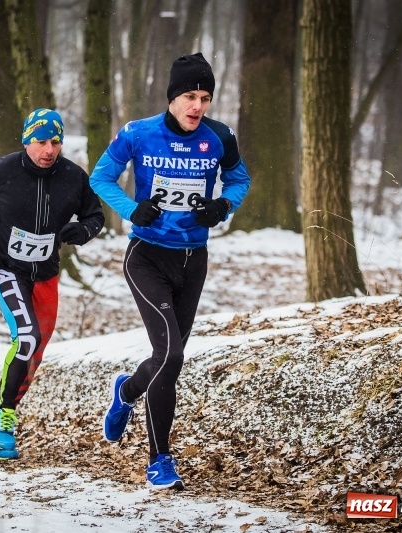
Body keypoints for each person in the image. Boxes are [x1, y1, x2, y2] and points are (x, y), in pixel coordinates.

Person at [90, 53, 251, 490]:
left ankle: (126, 391)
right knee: (172, 356)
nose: (197, 106)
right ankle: (159, 459)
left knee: (167, 359)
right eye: (189, 96)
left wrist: (223, 205)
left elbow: (240, 180)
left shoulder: (220, 137)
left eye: (205, 98)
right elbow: (100, 178)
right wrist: (131, 209)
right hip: (147, 257)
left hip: (193, 260)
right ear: (172, 97)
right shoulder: (138, 133)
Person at [0, 108, 104, 460]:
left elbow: (95, 215)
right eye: (41, 141)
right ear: (26, 141)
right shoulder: (1, 170)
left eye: (55, 142)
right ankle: (4, 421)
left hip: (46, 274)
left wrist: (83, 231)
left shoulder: (73, 176)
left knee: (35, 349)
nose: (49, 150)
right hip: (7, 268)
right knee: (26, 337)